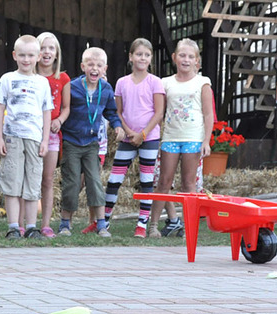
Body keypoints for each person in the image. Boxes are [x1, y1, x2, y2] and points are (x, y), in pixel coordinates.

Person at [147, 39, 214, 238]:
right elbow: (160, 110)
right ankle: (153, 226)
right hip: (170, 138)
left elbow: (208, 114)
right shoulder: (165, 82)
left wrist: (206, 141)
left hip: (192, 138)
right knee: (164, 181)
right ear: (174, 58)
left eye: (191, 56)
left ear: (197, 62)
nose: (186, 60)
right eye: (182, 55)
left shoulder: (203, 82)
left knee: (189, 184)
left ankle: (188, 227)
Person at [57, 47, 126, 238]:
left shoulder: (106, 89)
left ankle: (101, 224)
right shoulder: (72, 87)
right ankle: (65, 224)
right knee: (71, 184)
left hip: (91, 144)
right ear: (82, 66)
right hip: (71, 141)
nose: (94, 68)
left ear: (105, 68)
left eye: (99, 65)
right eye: (90, 64)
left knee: (95, 182)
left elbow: (111, 112)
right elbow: (64, 108)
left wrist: (118, 126)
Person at [104, 38, 165, 238]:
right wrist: (129, 132)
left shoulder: (155, 82)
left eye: (147, 55)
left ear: (150, 58)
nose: (143, 58)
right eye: (139, 54)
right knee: (114, 178)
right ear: (131, 57)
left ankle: (142, 223)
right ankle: (104, 220)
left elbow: (158, 112)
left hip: (149, 138)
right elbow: (118, 111)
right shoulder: (122, 82)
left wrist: (143, 134)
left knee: (146, 180)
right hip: (127, 138)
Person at [0, 35, 53, 239]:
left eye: (30, 55)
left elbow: (47, 112)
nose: (26, 59)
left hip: (35, 138)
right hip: (12, 137)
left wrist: (45, 140)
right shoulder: (7, 79)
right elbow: (0, 108)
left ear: (38, 57)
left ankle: (30, 227)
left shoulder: (42, 82)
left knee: (32, 182)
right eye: (22, 55)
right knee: (12, 182)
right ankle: (12, 226)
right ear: (14, 56)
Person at [16, 32, 70, 238]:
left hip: (52, 134)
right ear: (36, 53)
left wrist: (59, 121)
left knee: (47, 179)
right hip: (29, 131)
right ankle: (20, 224)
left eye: (51, 48)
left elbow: (66, 107)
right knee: (25, 178)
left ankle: (46, 224)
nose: (47, 52)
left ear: (57, 54)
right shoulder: (28, 77)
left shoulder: (62, 79)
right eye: (43, 48)